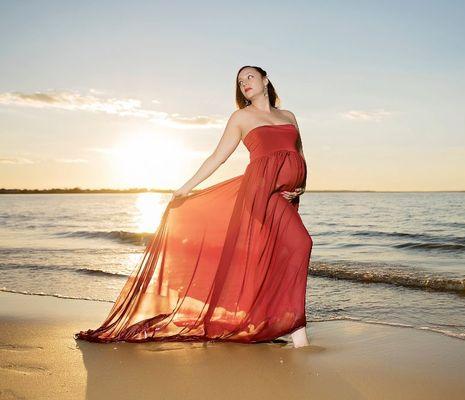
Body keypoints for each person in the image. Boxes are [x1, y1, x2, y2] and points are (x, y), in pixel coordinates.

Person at [74, 65, 312, 348]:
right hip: (261, 192)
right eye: (239, 81)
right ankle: (297, 333)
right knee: (301, 244)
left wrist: (301, 185)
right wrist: (186, 187)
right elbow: (217, 157)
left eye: (249, 77)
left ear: (265, 80)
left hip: (287, 193)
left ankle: (274, 321)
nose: (244, 83)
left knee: (278, 256)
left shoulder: (288, 116)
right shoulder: (241, 117)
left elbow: (298, 153)